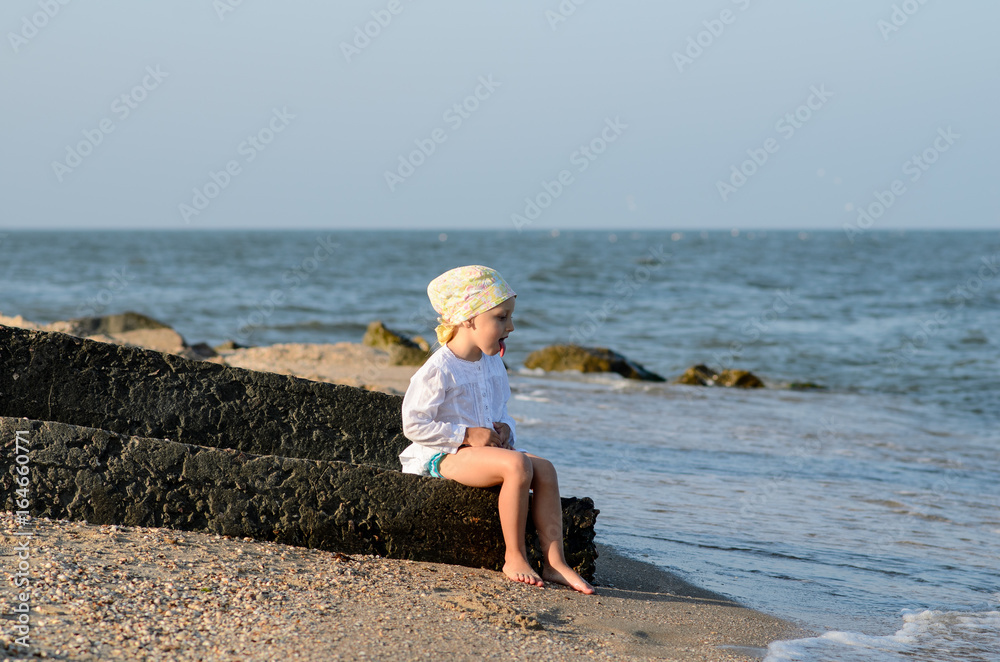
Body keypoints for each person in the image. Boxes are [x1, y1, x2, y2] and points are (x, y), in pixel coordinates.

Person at [399, 265, 595, 594]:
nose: (512, 327)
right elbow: (414, 423)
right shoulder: (439, 368)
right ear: (467, 319)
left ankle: (554, 561)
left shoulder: (492, 363)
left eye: (510, 318)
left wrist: (505, 429)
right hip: (444, 455)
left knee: (544, 468)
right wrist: (465, 435)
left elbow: (500, 410)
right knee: (518, 465)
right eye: (501, 318)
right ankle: (514, 556)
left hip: (485, 453)